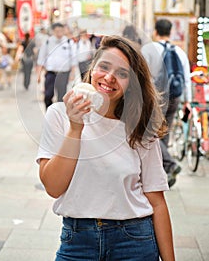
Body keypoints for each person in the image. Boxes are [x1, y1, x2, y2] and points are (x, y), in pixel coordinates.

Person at [37, 35, 175, 261]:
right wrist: (75, 128)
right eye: (104, 67)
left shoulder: (138, 125)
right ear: (92, 69)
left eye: (122, 74)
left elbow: (157, 201)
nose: (109, 77)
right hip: (77, 242)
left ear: (132, 82)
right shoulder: (59, 115)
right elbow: (53, 186)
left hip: (135, 241)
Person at [141, 19, 192, 188]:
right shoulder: (179, 51)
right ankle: (163, 174)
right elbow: (186, 79)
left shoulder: (148, 49)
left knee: (149, 132)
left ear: (155, 31)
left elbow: (142, 76)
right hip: (175, 97)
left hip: (156, 97)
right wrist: (187, 101)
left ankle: (169, 164)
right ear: (170, 32)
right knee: (163, 133)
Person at [36, 22, 77, 109]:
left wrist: (72, 73)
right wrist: (38, 75)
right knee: (48, 94)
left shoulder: (69, 42)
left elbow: (73, 59)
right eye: (57, 31)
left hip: (63, 73)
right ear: (53, 31)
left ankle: (59, 115)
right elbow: (41, 59)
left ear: (63, 31)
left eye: (61, 31)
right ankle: (49, 112)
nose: (59, 33)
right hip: (51, 73)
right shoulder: (47, 42)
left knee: (62, 96)